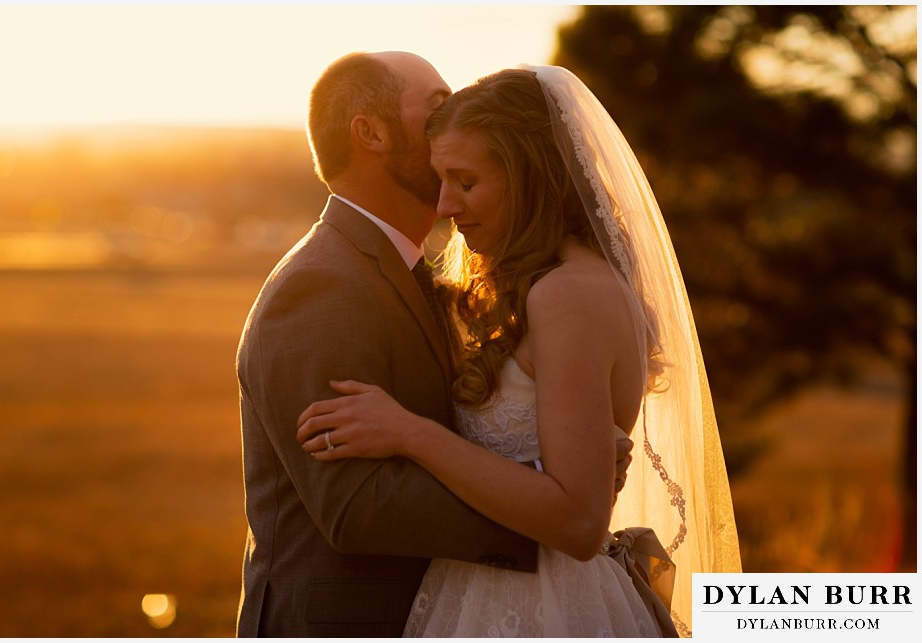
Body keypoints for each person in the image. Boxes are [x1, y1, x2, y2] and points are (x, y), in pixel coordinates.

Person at [297, 65, 743, 637]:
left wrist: (410, 433)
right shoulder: (539, 288)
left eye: (465, 181)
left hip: (544, 606)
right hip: (486, 591)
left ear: (530, 176)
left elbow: (580, 523)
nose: (446, 206)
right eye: (441, 181)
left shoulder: (570, 295)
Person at [235, 52, 546, 637]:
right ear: (371, 133)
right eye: (437, 108)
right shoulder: (322, 286)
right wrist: (543, 508)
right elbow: (356, 505)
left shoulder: (405, 268)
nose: (458, 123)